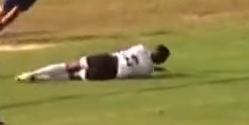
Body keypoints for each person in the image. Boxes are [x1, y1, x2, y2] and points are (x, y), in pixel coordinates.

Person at [16, 43, 170, 82]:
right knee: (74, 76)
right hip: (112, 73)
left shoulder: (142, 48)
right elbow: (143, 67)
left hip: (109, 59)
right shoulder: (148, 70)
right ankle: (40, 79)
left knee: (70, 66)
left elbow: (135, 56)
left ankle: (32, 74)